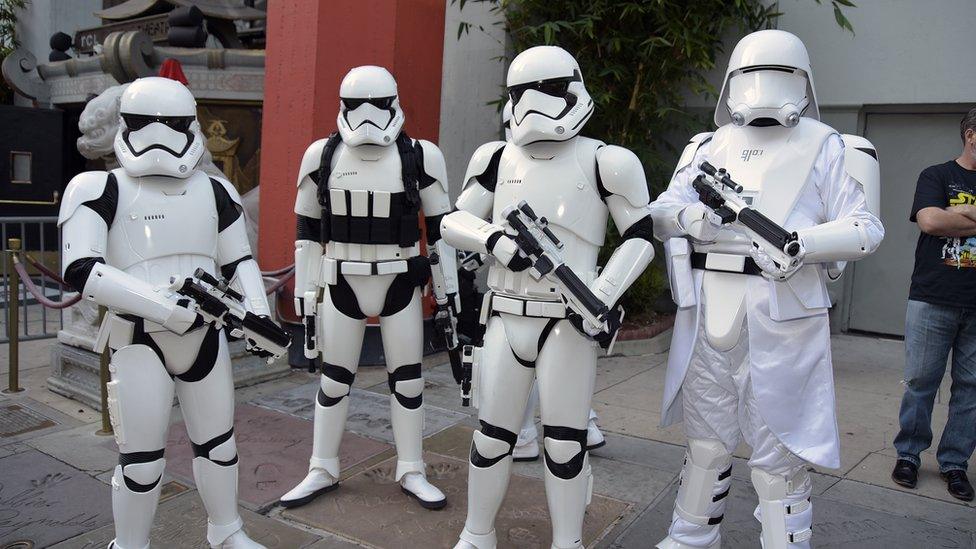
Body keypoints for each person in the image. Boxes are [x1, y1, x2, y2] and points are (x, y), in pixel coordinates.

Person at [649, 30, 884, 549]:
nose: (760, 88)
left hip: (783, 316)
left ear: (801, 81)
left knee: (779, 456)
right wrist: (695, 217)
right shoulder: (706, 146)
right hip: (709, 307)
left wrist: (801, 244)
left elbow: (866, 227)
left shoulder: (831, 146)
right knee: (706, 442)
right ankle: (690, 535)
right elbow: (663, 211)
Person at [442, 45, 655, 549]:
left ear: (574, 90)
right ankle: (477, 533)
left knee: (564, 442)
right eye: (523, 94)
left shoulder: (607, 161)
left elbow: (641, 236)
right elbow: (454, 221)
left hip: (569, 321)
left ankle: (567, 540)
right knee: (492, 436)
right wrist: (494, 241)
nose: (535, 105)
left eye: (551, 91)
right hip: (505, 314)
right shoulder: (495, 157)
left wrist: (600, 295)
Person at [58, 76, 272, 549]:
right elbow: (83, 269)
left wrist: (257, 312)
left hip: (205, 335)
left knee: (219, 446)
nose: (159, 135)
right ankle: (130, 544)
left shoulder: (215, 192)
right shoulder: (97, 186)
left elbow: (238, 261)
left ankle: (226, 528)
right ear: (126, 126)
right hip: (138, 336)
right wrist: (161, 306)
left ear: (190, 125)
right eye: (145, 123)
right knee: (140, 459)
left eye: (171, 124)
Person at [282, 66, 458, 510]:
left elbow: (441, 233)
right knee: (335, 378)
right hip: (341, 277)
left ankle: (411, 467)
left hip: (400, 277)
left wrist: (449, 293)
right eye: (355, 106)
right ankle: (322, 465)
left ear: (394, 104)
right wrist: (307, 294)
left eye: (377, 106)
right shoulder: (321, 155)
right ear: (341, 106)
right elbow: (306, 230)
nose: (366, 117)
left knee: (408, 380)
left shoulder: (420, 156)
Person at [890, 108, 976, 502]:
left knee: (971, 389)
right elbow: (930, 222)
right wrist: (944, 216)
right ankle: (908, 454)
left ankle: (955, 463)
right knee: (921, 382)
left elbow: (945, 219)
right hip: (932, 297)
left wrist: (957, 213)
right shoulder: (937, 176)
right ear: (971, 135)